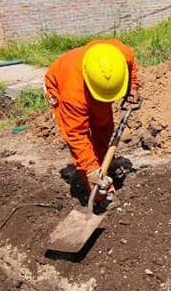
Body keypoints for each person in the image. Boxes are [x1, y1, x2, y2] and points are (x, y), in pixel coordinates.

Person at [44, 39, 141, 197]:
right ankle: (99, 195)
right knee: (85, 147)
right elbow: (76, 136)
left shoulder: (120, 53)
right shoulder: (73, 95)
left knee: (104, 128)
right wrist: (91, 171)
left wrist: (133, 87)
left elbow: (131, 67)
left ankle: (104, 165)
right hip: (63, 85)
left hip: (94, 85)